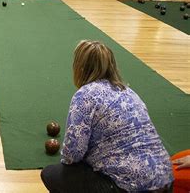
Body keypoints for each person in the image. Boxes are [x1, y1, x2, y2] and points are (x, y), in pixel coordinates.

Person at [41, 40, 173, 193]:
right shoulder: (130, 92)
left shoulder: (85, 95)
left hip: (128, 188)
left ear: (80, 67)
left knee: (52, 174)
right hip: (166, 182)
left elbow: (72, 155)